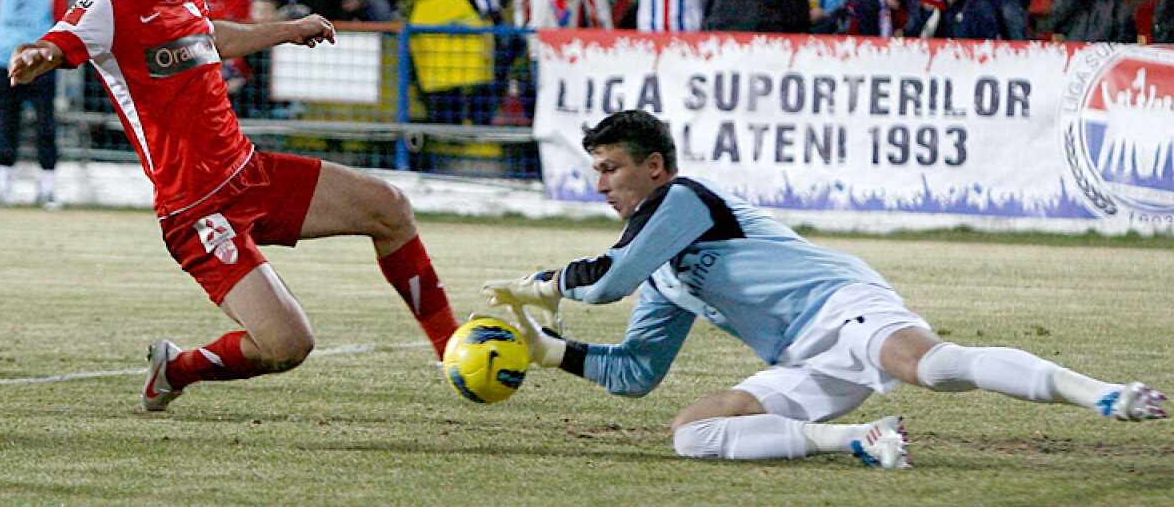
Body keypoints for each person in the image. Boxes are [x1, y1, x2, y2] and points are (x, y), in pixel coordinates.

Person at [480, 109, 1168, 468]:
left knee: (928, 366)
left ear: (654, 168)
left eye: (610, 168)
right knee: (693, 433)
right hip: (803, 358)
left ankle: (1105, 394)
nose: (600, 185)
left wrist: (546, 284)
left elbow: (605, 282)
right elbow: (635, 374)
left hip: (842, 305)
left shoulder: (686, 198)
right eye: (595, 170)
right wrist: (550, 354)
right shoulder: (658, 270)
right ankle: (858, 440)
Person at [6, 0, 459, 411]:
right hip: (197, 211)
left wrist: (289, 30)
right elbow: (56, 41)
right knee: (289, 345)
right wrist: (33, 55)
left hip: (251, 174)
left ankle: (453, 350)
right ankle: (176, 369)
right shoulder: (106, 5)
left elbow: (211, 37)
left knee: (391, 206)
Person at [0, 0, 67, 208]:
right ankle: (3, 186)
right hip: (4, 61)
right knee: (5, 123)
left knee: (45, 124)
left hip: (39, 63)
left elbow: (60, 19)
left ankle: (48, 188)